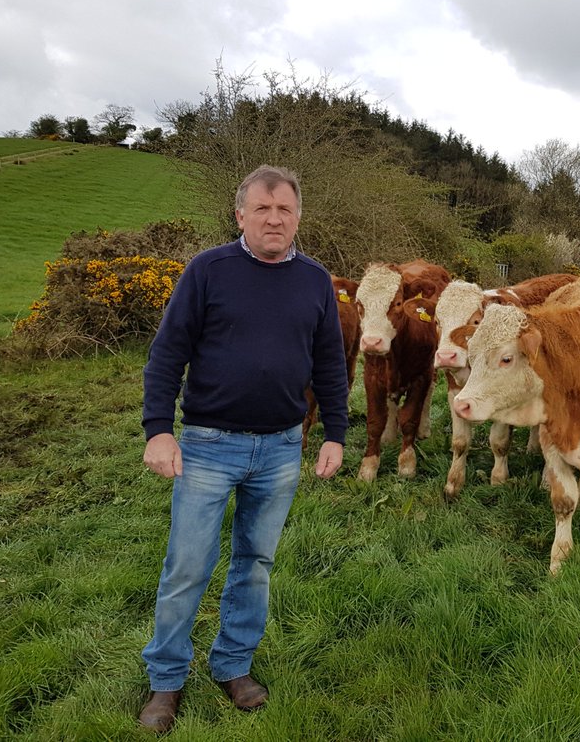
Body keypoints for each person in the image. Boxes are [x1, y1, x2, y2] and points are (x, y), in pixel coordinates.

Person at [137, 165, 349, 733]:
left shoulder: (315, 281)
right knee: (187, 565)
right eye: (262, 209)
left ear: (298, 216)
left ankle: (233, 665)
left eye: (284, 210)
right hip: (208, 445)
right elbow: (167, 353)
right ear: (240, 216)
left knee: (255, 563)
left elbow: (330, 361)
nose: (274, 219)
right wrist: (159, 428)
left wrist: (335, 432)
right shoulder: (209, 270)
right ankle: (166, 680)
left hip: (281, 447)